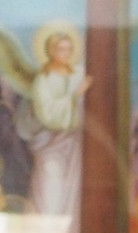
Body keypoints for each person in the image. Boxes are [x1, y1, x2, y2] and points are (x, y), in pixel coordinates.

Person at [16, 29, 92, 218]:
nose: (66, 54)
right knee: (51, 189)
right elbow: (47, 114)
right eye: (61, 49)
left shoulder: (79, 74)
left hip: (73, 144)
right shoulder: (43, 81)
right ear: (51, 51)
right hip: (49, 144)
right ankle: (47, 230)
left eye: (69, 49)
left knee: (73, 192)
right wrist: (75, 95)